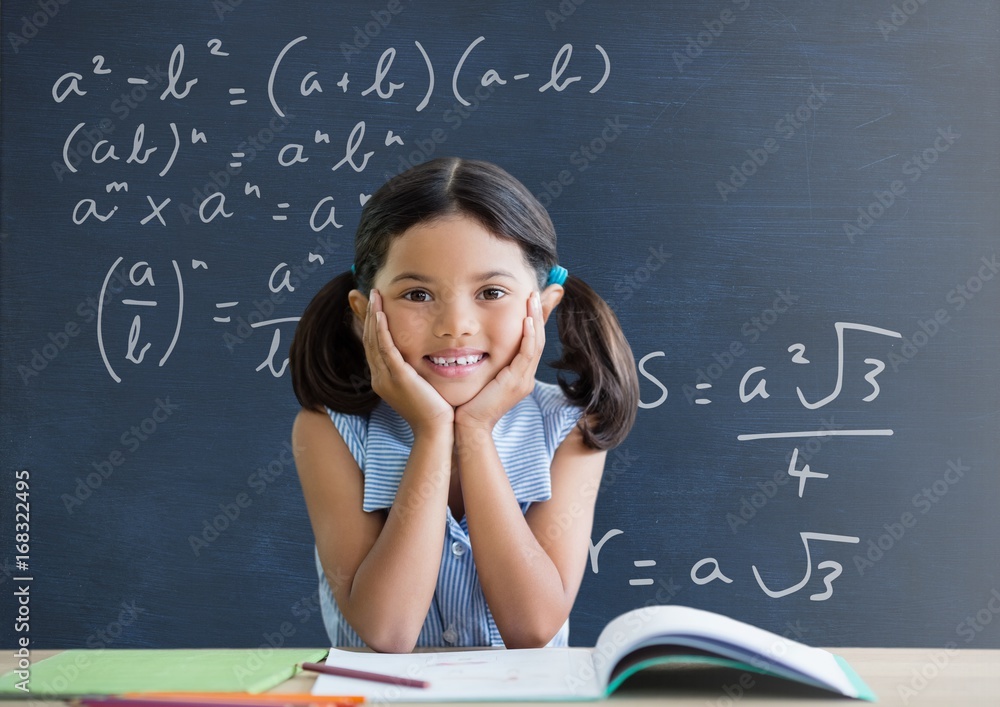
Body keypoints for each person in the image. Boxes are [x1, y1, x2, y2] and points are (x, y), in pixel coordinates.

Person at [289, 157, 638, 653]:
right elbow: (387, 631)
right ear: (365, 313)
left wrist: (474, 431)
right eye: (417, 293)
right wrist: (433, 433)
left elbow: (532, 627)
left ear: (540, 307)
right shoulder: (329, 430)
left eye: (491, 291)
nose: (456, 324)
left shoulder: (571, 427)